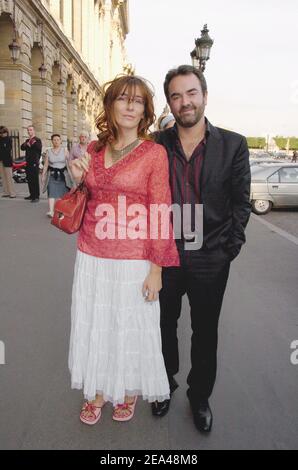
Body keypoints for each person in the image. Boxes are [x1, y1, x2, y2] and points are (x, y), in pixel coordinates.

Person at [68, 75, 180, 425]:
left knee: (128, 325)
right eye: (123, 99)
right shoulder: (92, 150)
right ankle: (99, 391)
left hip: (134, 259)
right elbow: (85, 195)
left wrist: (157, 269)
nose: (130, 106)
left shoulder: (155, 154)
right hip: (91, 253)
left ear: (145, 110)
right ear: (111, 105)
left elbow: (161, 211)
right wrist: (76, 177)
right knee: (96, 323)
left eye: (138, 101)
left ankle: (128, 388)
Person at [151, 65, 251, 433]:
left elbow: (241, 203)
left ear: (204, 96)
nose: (184, 102)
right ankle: (164, 384)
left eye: (191, 93)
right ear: (170, 103)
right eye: (176, 96)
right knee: (162, 325)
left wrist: (229, 247)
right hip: (165, 253)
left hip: (211, 255)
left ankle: (199, 396)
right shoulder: (156, 144)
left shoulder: (233, 144)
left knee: (205, 330)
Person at [41, 134, 72, 218]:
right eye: (54, 140)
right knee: (51, 192)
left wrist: (73, 175)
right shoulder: (49, 151)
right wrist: (43, 175)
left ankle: (60, 212)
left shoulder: (65, 150)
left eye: (58, 140)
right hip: (52, 174)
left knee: (61, 195)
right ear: (52, 141)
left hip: (63, 175)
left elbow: (69, 163)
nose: (56, 141)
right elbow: (46, 165)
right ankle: (51, 211)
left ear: (60, 141)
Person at [21, 125, 42, 202]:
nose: (29, 131)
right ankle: (31, 194)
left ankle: (36, 196)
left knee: (34, 179)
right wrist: (27, 144)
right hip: (28, 162)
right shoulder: (27, 140)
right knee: (29, 179)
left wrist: (32, 144)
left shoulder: (37, 140)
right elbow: (22, 148)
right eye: (28, 130)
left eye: (31, 130)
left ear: (34, 131)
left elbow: (39, 148)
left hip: (34, 162)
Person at [0, 126, 16, 198]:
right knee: (3, 177)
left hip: (7, 161)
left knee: (9, 177)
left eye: (2, 133)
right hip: (1, 160)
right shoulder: (0, 139)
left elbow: (8, 150)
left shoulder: (9, 139)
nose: (1, 134)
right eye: (0, 133)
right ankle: (6, 192)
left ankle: (12, 193)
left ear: (6, 132)